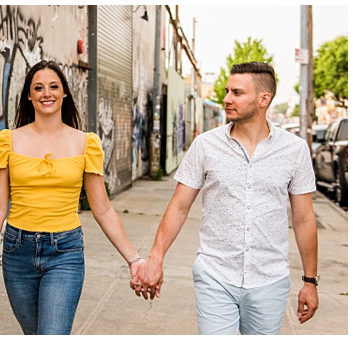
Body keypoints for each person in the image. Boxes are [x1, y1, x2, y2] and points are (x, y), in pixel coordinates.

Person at [132, 61, 319, 334]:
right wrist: (155, 258)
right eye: (227, 90)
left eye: (237, 93)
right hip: (215, 274)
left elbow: (303, 219)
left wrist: (310, 281)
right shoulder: (205, 145)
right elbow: (179, 206)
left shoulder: (294, 150)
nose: (226, 99)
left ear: (263, 99)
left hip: (270, 279)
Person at [0, 60, 144, 334]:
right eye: (38, 88)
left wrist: (134, 259)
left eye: (54, 86)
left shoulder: (85, 144)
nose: (46, 93)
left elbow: (102, 209)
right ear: (29, 95)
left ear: (65, 92)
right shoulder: (8, 141)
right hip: (18, 252)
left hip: (65, 252)